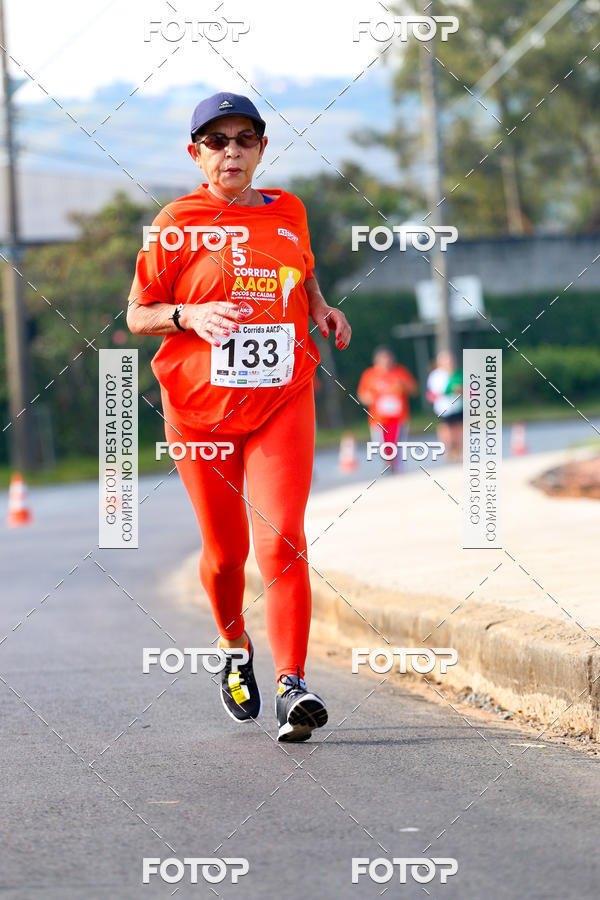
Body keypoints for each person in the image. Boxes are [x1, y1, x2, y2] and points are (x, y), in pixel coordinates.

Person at [126, 92, 351, 741]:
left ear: (261, 149)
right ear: (196, 153)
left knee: (282, 537)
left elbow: (301, 274)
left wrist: (320, 309)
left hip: (282, 397)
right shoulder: (177, 221)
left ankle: (294, 684)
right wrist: (187, 315)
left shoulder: (289, 211)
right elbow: (138, 313)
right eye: (217, 141)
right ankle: (233, 646)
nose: (231, 152)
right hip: (199, 412)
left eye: (243, 139)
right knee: (227, 556)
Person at [357, 346, 418, 474]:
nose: (387, 361)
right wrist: (369, 397)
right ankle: (387, 467)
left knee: (398, 446)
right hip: (378, 419)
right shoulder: (369, 374)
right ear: (376, 360)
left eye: (389, 358)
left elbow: (414, 390)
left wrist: (403, 385)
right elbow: (362, 395)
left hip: (398, 418)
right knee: (381, 447)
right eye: (383, 359)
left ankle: (398, 470)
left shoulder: (400, 372)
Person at [426, 350, 463, 462]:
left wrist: (459, 390)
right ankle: (449, 450)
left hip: (458, 406)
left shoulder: (458, 373)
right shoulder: (436, 375)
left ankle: (459, 451)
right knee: (447, 430)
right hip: (443, 408)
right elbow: (433, 393)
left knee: (459, 429)